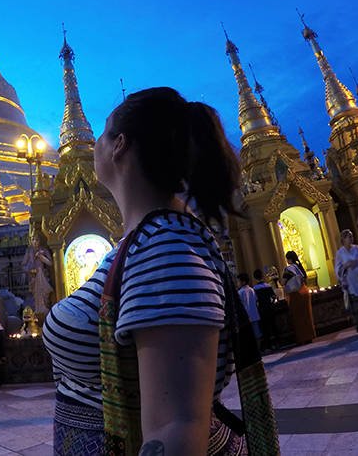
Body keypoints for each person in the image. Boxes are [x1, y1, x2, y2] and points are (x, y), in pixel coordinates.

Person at [43, 87, 276, 456]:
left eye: (101, 134)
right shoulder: (145, 242)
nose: (92, 145)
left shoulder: (165, 250)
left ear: (119, 145)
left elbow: (176, 425)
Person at [282, 251, 315, 345]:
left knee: (298, 318)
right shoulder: (300, 267)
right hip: (304, 292)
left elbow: (284, 282)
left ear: (289, 260)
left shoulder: (288, 269)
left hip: (295, 295)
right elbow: (305, 280)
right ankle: (309, 337)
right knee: (307, 316)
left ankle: (301, 338)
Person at [253, 269, 278, 351]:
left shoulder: (255, 289)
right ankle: (277, 342)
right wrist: (272, 303)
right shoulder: (267, 286)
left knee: (265, 328)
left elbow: (255, 300)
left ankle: (268, 345)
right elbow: (274, 296)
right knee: (273, 325)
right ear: (263, 276)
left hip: (261, 309)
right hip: (269, 307)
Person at [236, 273, 260, 341]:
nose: (237, 283)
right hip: (254, 314)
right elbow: (256, 301)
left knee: (248, 336)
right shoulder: (252, 290)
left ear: (243, 282)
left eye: (238, 281)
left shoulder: (240, 292)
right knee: (257, 334)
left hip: (246, 316)